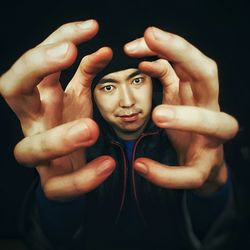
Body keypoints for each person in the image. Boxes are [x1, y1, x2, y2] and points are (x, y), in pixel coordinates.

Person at [0, 19, 239, 250]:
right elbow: (52, 239)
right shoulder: (73, 145)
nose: (127, 101)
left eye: (136, 80)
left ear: (151, 82)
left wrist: (212, 188)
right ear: (91, 94)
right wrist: (60, 201)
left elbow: (216, 236)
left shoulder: (187, 135)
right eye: (108, 86)